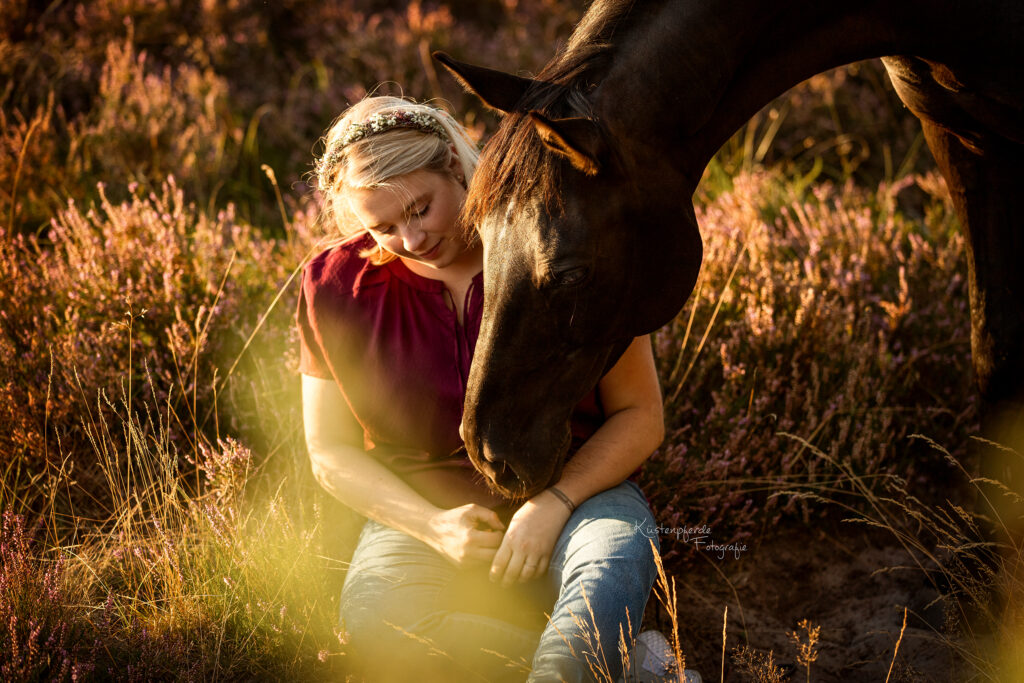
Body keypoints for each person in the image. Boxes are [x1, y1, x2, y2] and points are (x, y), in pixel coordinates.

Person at [297, 95, 675, 682]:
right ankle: (630, 669)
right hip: (421, 508)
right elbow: (328, 451)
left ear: (454, 162)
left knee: (610, 561)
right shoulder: (334, 287)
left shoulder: (559, 243)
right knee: (377, 624)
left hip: (579, 490)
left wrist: (555, 503)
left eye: (421, 209)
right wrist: (432, 527)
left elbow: (639, 414)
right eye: (384, 227)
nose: (413, 239)